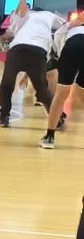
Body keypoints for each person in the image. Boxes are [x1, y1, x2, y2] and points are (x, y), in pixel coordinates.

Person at [0, 0, 60, 129]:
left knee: (7, 85)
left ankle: (4, 118)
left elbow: (10, 30)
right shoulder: (49, 15)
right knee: (42, 89)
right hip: (38, 51)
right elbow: (67, 26)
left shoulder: (23, 15)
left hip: (17, 49)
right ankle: (57, 119)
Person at [42, 11, 82, 149]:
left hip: (71, 48)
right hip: (72, 46)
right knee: (81, 95)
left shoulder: (69, 26)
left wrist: (61, 58)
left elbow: (58, 36)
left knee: (60, 95)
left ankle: (49, 137)